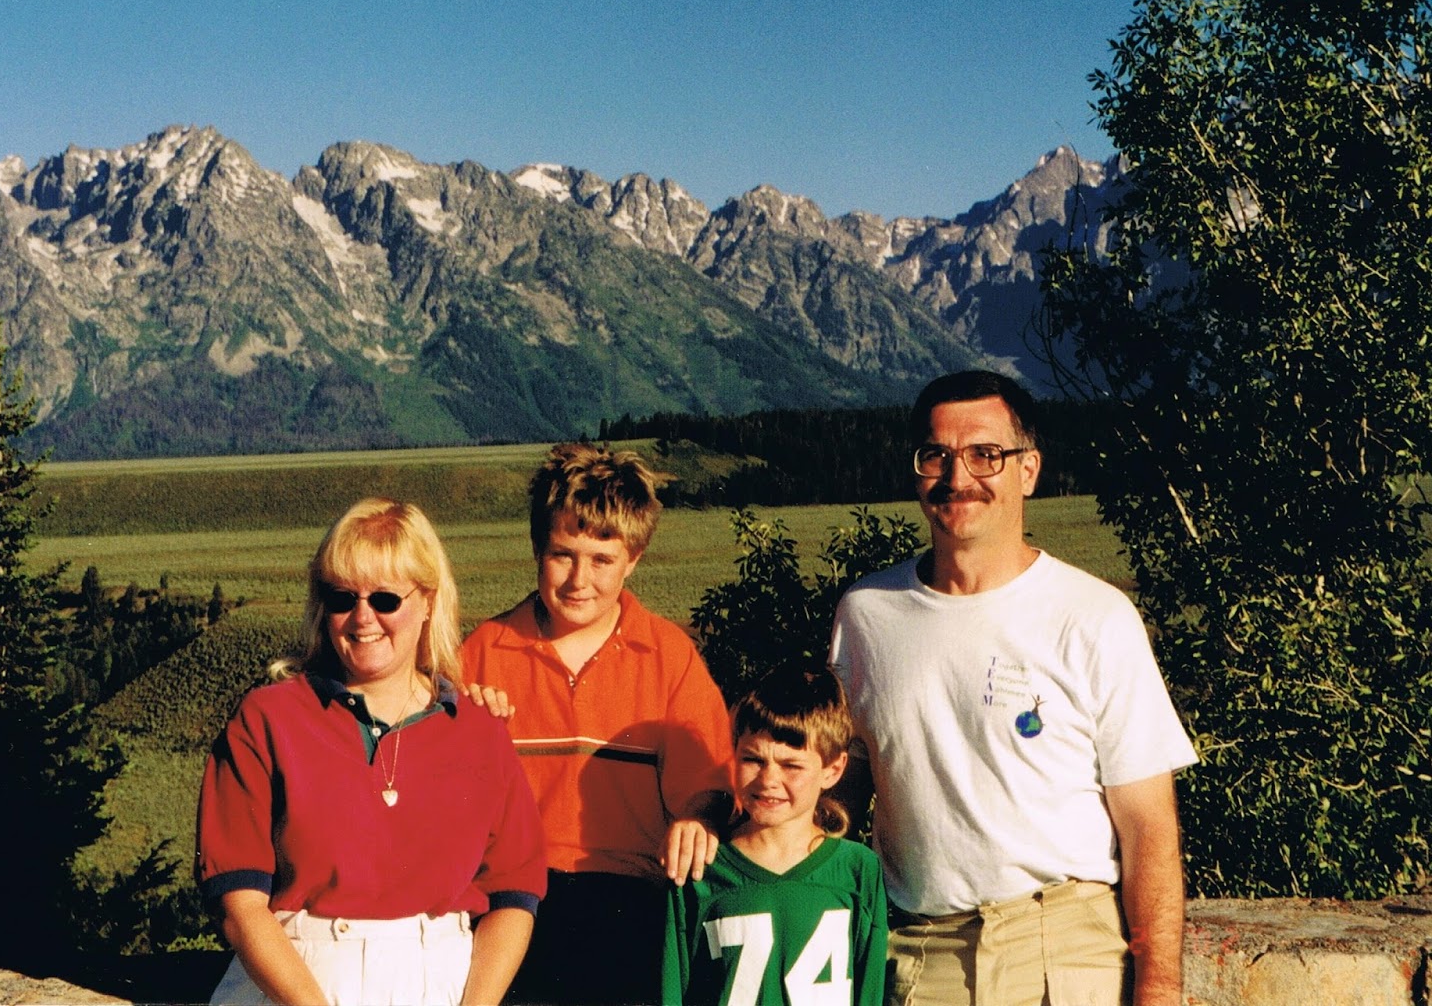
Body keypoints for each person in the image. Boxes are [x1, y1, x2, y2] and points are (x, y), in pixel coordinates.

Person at [828, 370, 1198, 1006]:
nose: (958, 476)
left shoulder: (1094, 617)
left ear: (1028, 470)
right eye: (936, 455)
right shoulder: (866, 614)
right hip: (922, 956)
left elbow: (1149, 829)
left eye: (985, 454)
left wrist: (1159, 988)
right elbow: (836, 792)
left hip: (1067, 951)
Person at [196, 497, 546, 1006]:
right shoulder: (268, 719)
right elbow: (239, 902)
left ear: (428, 602)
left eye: (385, 599)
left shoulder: (479, 732)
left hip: (440, 986)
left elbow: (514, 895)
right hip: (292, 985)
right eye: (343, 598)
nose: (362, 619)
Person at [461, 442, 733, 1005]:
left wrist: (698, 817)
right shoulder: (483, 652)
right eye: (563, 555)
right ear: (536, 547)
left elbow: (708, 787)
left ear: (634, 559)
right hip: (511, 902)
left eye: (602, 560)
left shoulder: (668, 656)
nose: (579, 579)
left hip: (630, 902)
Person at [663, 665, 886, 1006]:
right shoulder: (699, 869)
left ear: (833, 769)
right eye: (753, 759)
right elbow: (673, 991)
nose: (768, 780)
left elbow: (869, 992)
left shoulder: (858, 870)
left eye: (791, 765)